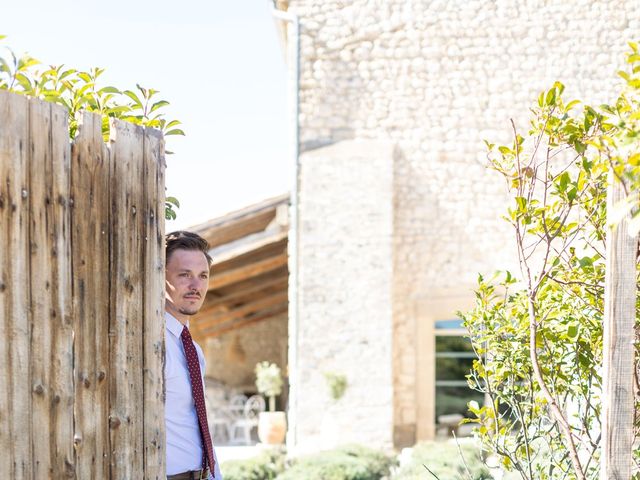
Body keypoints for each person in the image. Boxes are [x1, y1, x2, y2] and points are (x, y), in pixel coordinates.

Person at [164, 231, 222, 480]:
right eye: (184, 275)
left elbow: (196, 421)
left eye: (203, 276)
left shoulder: (192, 349)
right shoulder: (149, 346)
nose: (196, 286)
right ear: (160, 276)